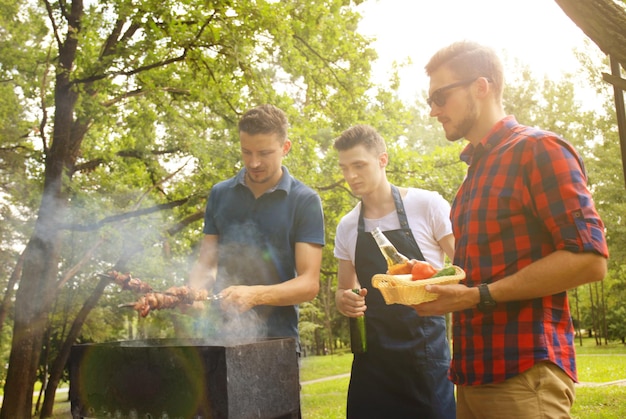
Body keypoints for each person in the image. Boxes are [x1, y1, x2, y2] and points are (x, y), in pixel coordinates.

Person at [416, 40, 609, 418]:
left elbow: (589, 259)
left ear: (481, 87)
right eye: (430, 101)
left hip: (525, 375)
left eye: (440, 96)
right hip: (473, 377)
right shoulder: (473, 176)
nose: (433, 111)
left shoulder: (539, 149)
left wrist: (476, 296)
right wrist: (427, 283)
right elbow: (483, 278)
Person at [333, 124, 456, 419]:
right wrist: (345, 301)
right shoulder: (348, 226)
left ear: (382, 160)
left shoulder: (427, 205)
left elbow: (465, 268)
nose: (351, 176)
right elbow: (343, 290)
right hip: (373, 363)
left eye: (359, 165)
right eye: (344, 168)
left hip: (425, 358)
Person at [189, 104, 325, 352]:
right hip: (220, 341)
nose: (253, 163)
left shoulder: (304, 200)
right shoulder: (220, 193)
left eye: (264, 153)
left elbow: (308, 283)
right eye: (246, 152)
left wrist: (255, 295)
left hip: (277, 343)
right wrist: (195, 290)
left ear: (285, 147)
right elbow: (207, 264)